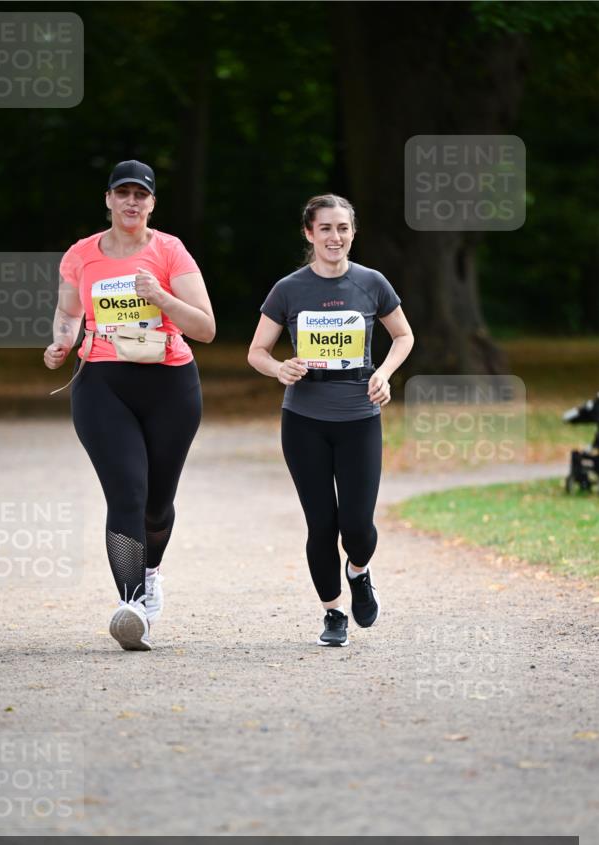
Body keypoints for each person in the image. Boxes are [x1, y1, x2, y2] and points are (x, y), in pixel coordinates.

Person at [44, 159, 215, 651]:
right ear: (109, 200)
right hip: (102, 382)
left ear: (152, 204)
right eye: (123, 193)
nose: (132, 202)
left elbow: (205, 328)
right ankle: (132, 604)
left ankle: (151, 571)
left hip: (170, 384)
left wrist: (160, 296)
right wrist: (61, 342)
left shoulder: (169, 251)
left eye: (141, 195)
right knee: (127, 495)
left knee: (157, 507)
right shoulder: (81, 255)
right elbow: (68, 310)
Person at [248, 194, 413, 647]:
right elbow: (256, 352)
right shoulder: (288, 289)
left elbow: (403, 335)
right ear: (309, 233)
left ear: (353, 232)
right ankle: (333, 612)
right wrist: (279, 368)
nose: (334, 237)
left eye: (342, 228)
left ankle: (359, 571)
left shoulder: (372, 283)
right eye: (325, 228)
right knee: (321, 525)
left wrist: (383, 372)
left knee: (357, 526)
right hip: (303, 420)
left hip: (360, 418)